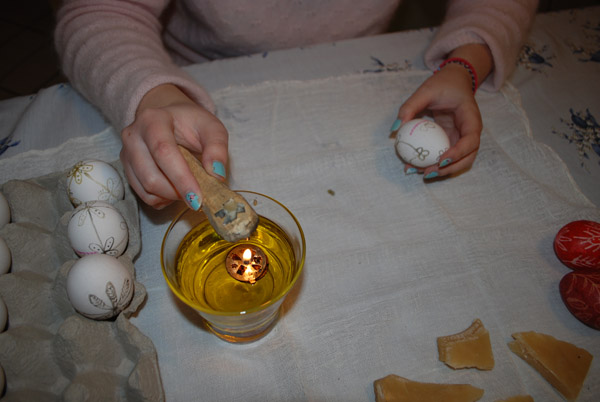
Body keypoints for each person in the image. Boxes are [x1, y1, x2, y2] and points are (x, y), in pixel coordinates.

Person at [55, 0, 539, 210]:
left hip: (355, 76)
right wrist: (153, 94)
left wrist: (467, 62)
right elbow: (100, 12)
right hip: (196, 76)